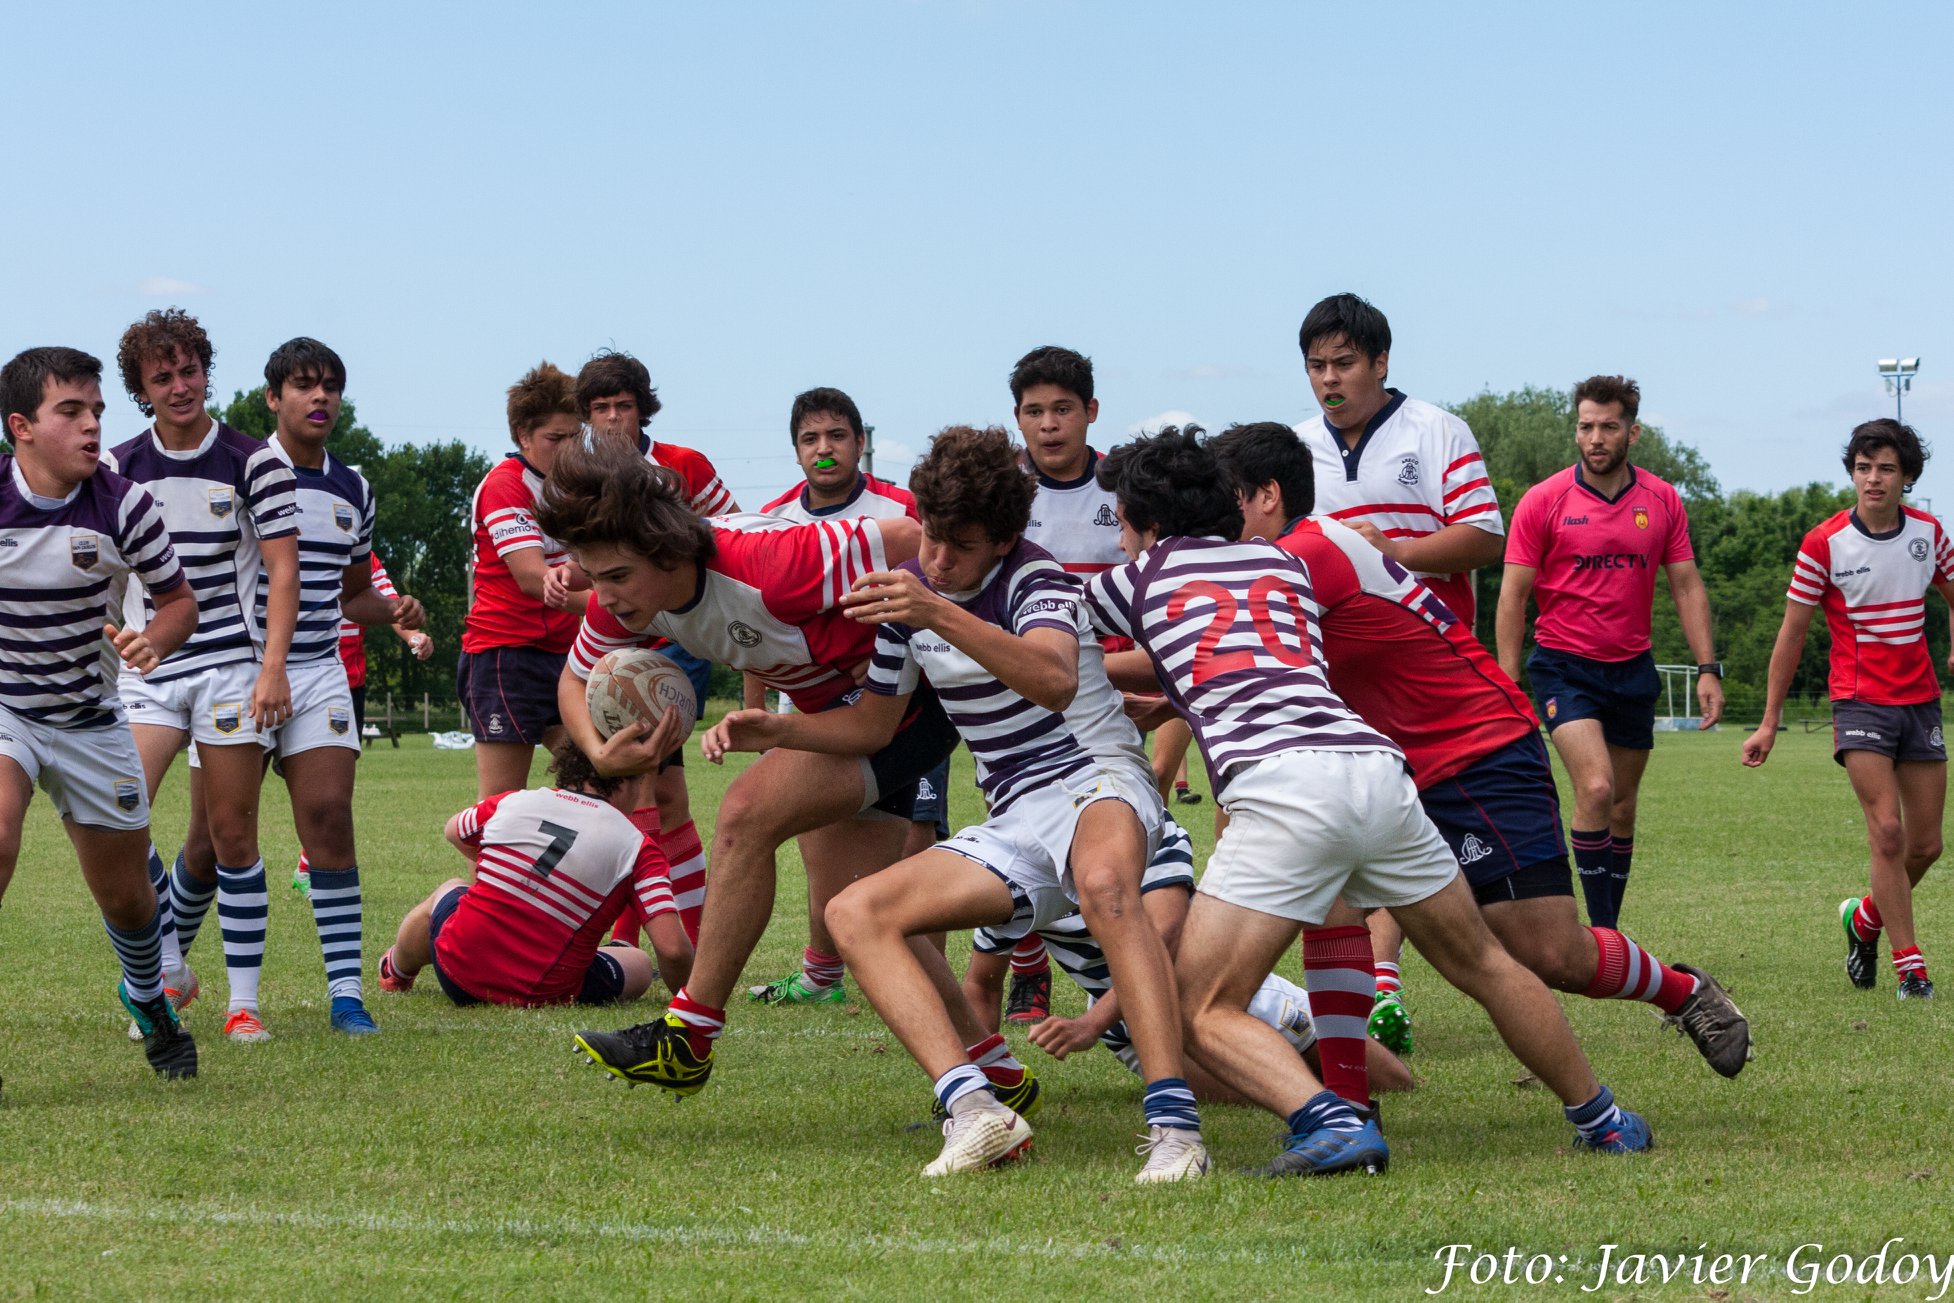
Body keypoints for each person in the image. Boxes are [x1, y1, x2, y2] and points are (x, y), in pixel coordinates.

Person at [1088, 427, 1654, 1176]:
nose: (1118, 536)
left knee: (1193, 1008)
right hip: (1377, 771)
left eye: (1121, 520)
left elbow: (1058, 656)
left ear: (1144, 520)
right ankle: (1605, 1117)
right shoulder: (1279, 561)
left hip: (1285, 788)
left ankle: (1330, 1118)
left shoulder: (1134, 579)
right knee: (1483, 959)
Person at [705, 425, 1208, 1181]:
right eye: (932, 537)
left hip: (1097, 774)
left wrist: (934, 610)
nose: (936, 560)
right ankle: (977, 1111)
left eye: (959, 546)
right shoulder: (911, 587)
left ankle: (1176, 1131)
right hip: (1015, 812)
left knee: (1107, 887)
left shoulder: (1036, 580)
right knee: (855, 912)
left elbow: (1054, 678)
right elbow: (874, 723)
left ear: (1004, 538)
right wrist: (777, 727)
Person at [1213, 421, 1750, 1078]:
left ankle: (1686, 991)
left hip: (1476, 754)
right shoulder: (1299, 553)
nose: (1214, 524)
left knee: (1552, 954)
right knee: (1335, 907)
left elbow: (1211, 649)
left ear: (1267, 496)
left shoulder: (1307, 553)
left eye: (1224, 502)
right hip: (1392, 769)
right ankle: (1350, 1113)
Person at [538, 437, 956, 1100]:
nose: (607, 596)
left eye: (617, 575)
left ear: (666, 547)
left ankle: (690, 1033)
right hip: (835, 718)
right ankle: (994, 1070)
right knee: (859, 914)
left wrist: (916, 629)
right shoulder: (624, 599)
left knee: (743, 812)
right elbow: (574, 678)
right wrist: (595, 748)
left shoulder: (776, 563)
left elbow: (915, 536)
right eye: (596, 576)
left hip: (906, 708)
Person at [1292, 293, 1507, 1057]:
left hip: (1427, 675)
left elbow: (1486, 535)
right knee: (1352, 827)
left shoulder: (1436, 431)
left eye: (1344, 363)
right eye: (1316, 365)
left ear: (1381, 363)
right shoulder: (1293, 449)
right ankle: (1376, 991)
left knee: (1416, 834)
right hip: (1333, 678)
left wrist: (1396, 552)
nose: (1329, 380)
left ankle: (1390, 978)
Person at [209, 337, 425, 1038]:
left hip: (317, 670)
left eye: (331, 384)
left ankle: (346, 994)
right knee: (215, 838)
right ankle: (200, 987)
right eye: (304, 385)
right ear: (273, 398)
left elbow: (351, 593)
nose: (321, 396)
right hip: (239, 671)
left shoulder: (353, 486)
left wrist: (394, 610)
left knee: (330, 816)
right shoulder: (242, 472)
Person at [0, 345, 200, 1077]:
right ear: (21, 426)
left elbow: (180, 602)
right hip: (6, 710)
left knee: (128, 900)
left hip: (90, 718)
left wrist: (154, 639)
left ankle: (148, 997)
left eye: (97, 412)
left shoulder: (124, 504)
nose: (93, 427)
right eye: (71, 412)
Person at [102, 309, 300, 1041]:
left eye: (190, 370)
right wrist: (114, 639)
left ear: (205, 371)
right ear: (142, 389)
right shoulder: (116, 467)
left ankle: (243, 1003)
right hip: (146, 672)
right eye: (163, 376)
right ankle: (166, 969)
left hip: (228, 668)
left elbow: (284, 571)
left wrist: (271, 666)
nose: (181, 386)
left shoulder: (253, 461)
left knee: (231, 836)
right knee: (117, 817)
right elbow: (97, 571)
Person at [992, 345, 1201, 1023]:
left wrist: (1124, 678)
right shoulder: (1003, 496)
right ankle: (1028, 964)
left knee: (1133, 822)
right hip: (1025, 694)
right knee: (1022, 824)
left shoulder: (1125, 491)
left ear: (1091, 412)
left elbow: (1162, 606)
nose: (1048, 424)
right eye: (1034, 411)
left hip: (1121, 688)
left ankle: (1143, 963)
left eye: (1062, 409)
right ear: (1017, 419)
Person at [746, 385, 951, 1006]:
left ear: (861, 442)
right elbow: (754, 625)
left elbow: (941, 588)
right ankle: (822, 976)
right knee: (824, 844)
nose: (824, 450)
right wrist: (755, 708)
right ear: (796, 452)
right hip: (810, 705)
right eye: (810, 440)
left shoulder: (902, 509)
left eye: (837, 436)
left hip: (909, 704)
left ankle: (930, 984)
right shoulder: (773, 520)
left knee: (918, 844)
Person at [1498, 376, 1723, 930]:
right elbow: (1513, 594)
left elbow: (1688, 585)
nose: (1595, 437)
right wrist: (1505, 680)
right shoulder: (1544, 500)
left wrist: (1707, 668)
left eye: (1608, 426)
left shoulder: (1662, 499)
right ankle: (1597, 937)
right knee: (1595, 787)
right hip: (1563, 667)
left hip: (1632, 670)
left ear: (1632, 432)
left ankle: (1607, 931)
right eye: (1586, 426)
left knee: (1622, 806)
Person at [1743, 419, 1954, 1001]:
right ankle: (1912, 967)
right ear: (1853, 473)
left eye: (1886, 468)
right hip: (1859, 701)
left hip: (1921, 700)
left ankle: (1864, 919)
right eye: (1863, 468)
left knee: (1926, 845)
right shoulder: (1825, 543)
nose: (1873, 479)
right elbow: (1791, 635)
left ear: (1907, 476)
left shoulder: (1929, 533)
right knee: (1887, 831)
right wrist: (1768, 721)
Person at [551, 350, 734, 942]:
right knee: (647, 791)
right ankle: (661, 935)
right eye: (599, 408)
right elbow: (590, 559)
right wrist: (571, 576)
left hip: (678, 638)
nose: (611, 419)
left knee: (646, 785)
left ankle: (656, 938)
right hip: (610, 639)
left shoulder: (686, 466)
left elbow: (732, 537)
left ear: (643, 410)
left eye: (623, 406)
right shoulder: (576, 473)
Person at [377, 740, 692, 1007]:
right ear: (623, 782)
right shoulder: (638, 847)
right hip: (544, 990)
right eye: (639, 781)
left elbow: (454, 831)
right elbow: (673, 949)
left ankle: (396, 969)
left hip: (457, 974)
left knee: (452, 888)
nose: (639, 792)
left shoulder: (512, 802)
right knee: (638, 962)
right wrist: (692, 995)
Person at [457, 362, 585, 799]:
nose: (568, 448)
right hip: (505, 656)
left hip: (567, 656)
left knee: (597, 784)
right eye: (555, 438)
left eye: (575, 436)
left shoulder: (580, 487)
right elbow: (534, 578)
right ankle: (479, 870)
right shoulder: (505, 485)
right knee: (501, 803)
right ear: (523, 436)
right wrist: (623, 607)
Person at [290, 552, 432, 899]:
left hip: (345, 682)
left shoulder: (362, 556)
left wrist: (414, 635)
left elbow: (388, 602)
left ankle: (310, 865)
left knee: (333, 785)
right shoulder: (282, 539)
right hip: (287, 673)